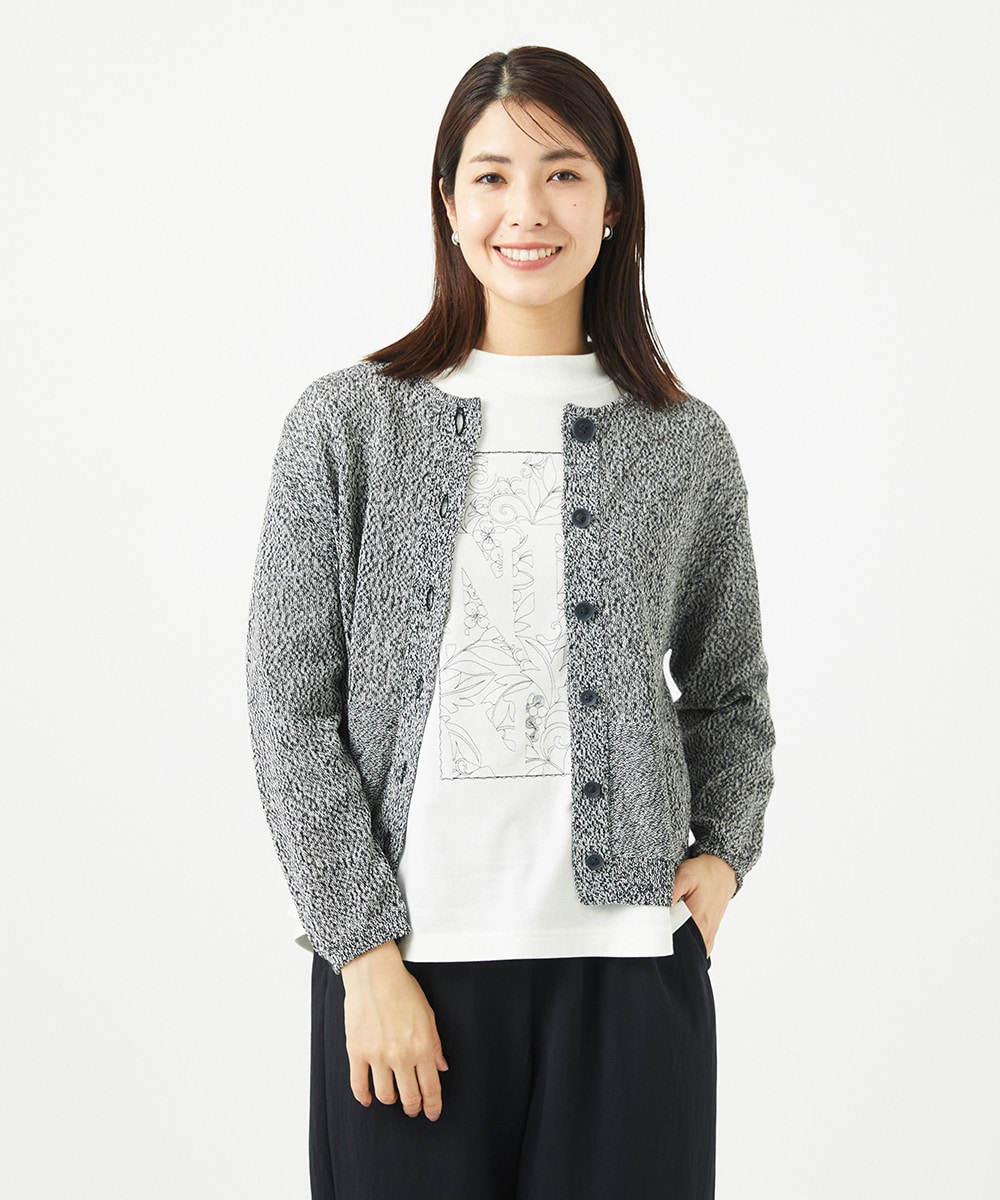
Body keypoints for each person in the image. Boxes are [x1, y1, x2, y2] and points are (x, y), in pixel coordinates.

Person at [246, 44, 776, 1200]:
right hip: (408, 977)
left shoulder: (684, 442)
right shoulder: (348, 426)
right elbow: (291, 711)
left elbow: (729, 690)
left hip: (627, 976)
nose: (525, 210)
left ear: (612, 201)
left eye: (562, 173)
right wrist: (362, 955)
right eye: (490, 176)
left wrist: (724, 853)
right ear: (447, 203)